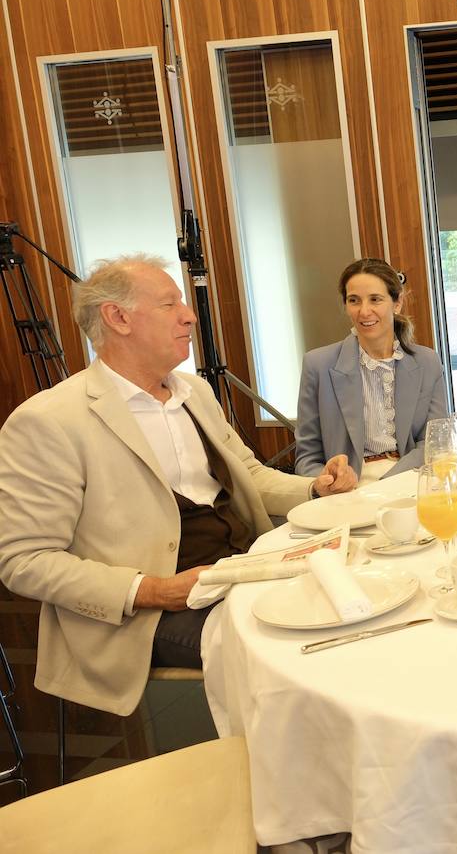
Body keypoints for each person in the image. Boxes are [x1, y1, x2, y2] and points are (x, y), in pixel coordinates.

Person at [0, 256, 356, 716]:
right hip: (150, 614)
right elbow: (24, 561)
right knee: (303, 647)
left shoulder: (194, 392)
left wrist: (315, 489)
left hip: (239, 569)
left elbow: (248, 474)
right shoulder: (49, 421)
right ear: (118, 317)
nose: (189, 315)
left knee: (354, 602)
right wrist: (154, 590)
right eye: (169, 304)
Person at [296, 258, 448, 483]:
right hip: (350, 489)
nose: (364, 311)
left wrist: (386, 485)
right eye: (354, 300)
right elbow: (306, 459)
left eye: (375, 299)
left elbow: (435, 444)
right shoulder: (317, 365)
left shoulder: (428, 362)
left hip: (411, 478)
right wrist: (331, 481)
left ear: (397, 303)